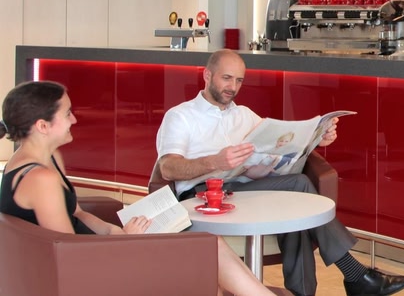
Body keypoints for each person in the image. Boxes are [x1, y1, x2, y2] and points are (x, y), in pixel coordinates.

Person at [156, 49, 404, 296]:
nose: (232, 87)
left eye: (239, 80)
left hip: (242, 190)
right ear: (207, 75)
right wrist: (215, 161)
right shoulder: (181, 116)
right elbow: (168, 168)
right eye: (226, 78)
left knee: (297, 203)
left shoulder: (244, 115)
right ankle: (356, 276)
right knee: (298, 188)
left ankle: (336, 283)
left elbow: (278, 144)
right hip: (203, 196)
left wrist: (317, 139)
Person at [0, 81, 277, 296]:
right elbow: (68, 254)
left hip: (92, 255)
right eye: (67, 113)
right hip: (89, 272)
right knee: (208, 249)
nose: (74, 119)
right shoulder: (40, 179)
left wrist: (115, 232)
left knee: (207, 252)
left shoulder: (46, 160)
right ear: (42, 126)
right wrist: (121, 242)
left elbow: (78, 214)